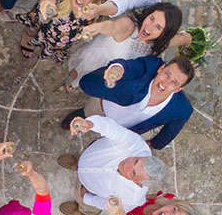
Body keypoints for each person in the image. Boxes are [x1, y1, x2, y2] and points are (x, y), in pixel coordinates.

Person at [60, 55, 196, 150]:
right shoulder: (150, 67)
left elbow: (174, 127)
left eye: (174, 83)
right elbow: (129, 66)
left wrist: (155, 144)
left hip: (123, 132)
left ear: (179, 89)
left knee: (101, 149)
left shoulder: (182, 109)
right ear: (161, 68)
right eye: (167, 74)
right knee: (88, 111)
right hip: (103, 107)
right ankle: (84, 114)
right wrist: (117, 69)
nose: (164, 83)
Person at [56, 115, 165, 215]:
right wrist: (90, 124)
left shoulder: (132, 199)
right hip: (90, 156)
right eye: (136, 161)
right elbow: (112, 128)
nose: (127, 165)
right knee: (83, 160)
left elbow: (111, 206)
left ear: (138, 183)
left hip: (89, 186)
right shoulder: (137, 145)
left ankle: (84, 210)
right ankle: (77, 162)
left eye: (133, 173)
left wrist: (87, 198)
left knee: (87, 205)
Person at [66, 2, 189, 90]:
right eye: (151, 18)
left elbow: (184, 38)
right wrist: (97, 27)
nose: (149, 27)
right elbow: (112, 27)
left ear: (164, 34)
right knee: (80, 73)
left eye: (158, 27)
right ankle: (72, 82)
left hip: (118, 71)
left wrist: (190, 40)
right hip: (98, 59)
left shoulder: (163, 41)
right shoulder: (129, 25)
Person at [15, 0, 105, 62]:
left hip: (60, 40)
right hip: (44, 25)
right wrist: (47, 2)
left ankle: (47, 48)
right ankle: (28, 35)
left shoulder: (94, 10)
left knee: (53, 47)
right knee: (32, 28)